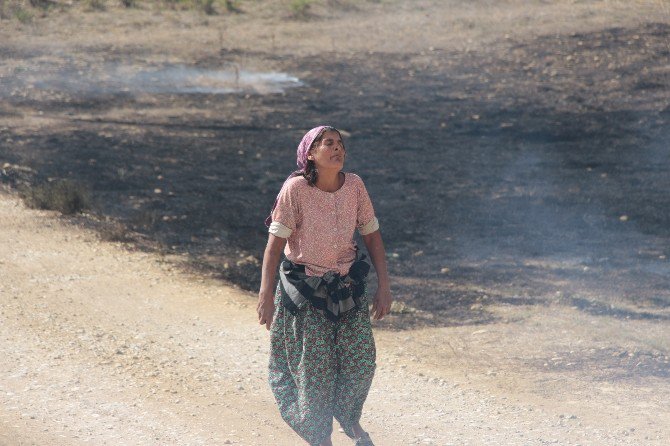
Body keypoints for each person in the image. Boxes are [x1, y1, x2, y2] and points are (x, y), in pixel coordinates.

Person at [257, 125, 392, 446]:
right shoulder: (295, 190)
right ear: (311, 154)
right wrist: (265, 295)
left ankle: (349, 419)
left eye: (340, 144)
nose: (337, 149)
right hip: (306, 292)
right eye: (328, 144)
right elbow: (274, 246)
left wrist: (383, 286)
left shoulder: (355, 186)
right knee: (314, 372)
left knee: (360, 362)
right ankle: (320, 437)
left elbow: (372, 237)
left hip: (347, 286)